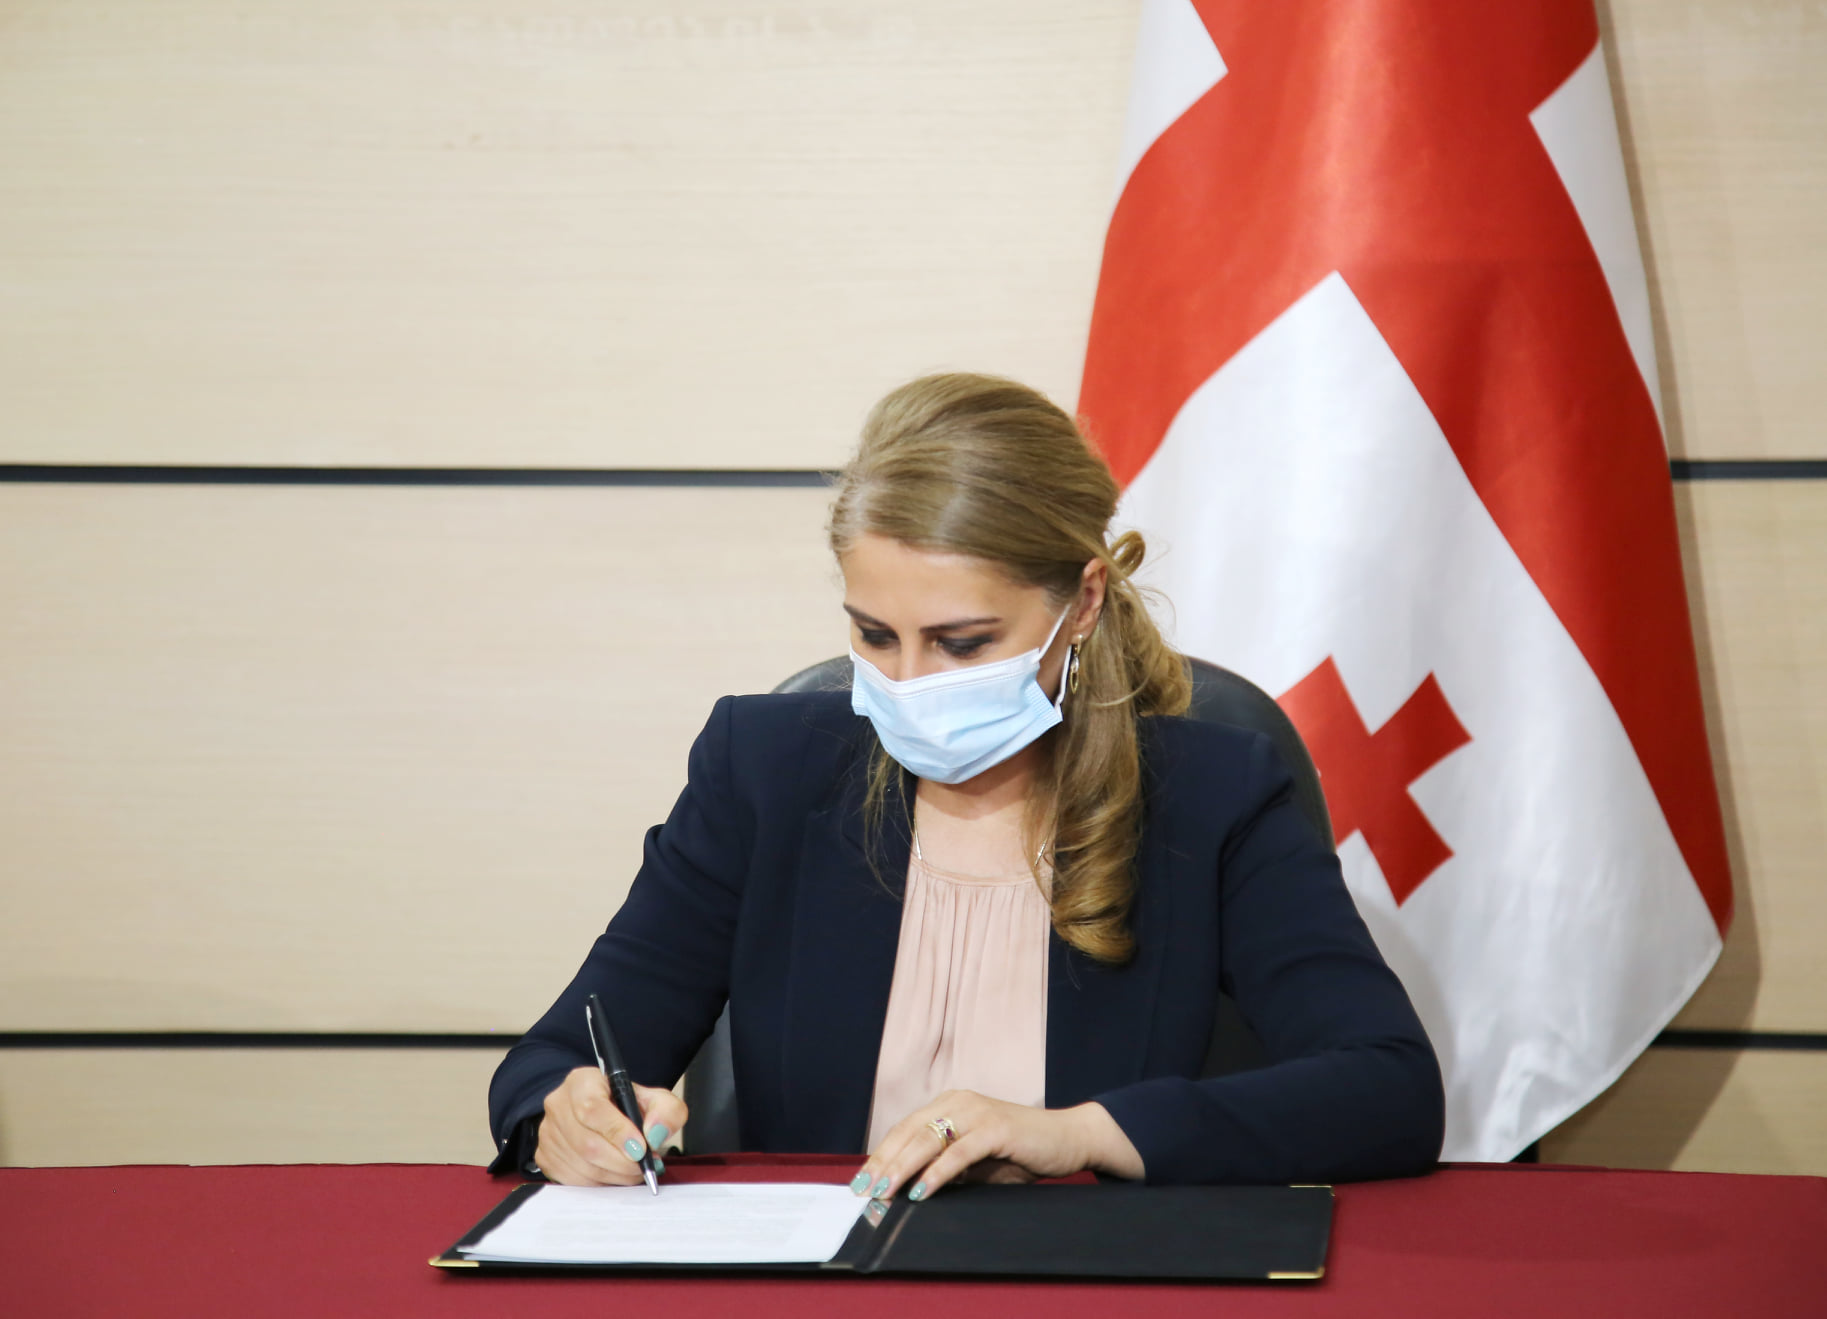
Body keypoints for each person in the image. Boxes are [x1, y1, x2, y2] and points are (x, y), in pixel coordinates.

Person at [488, 373, 1445, 1199]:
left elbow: (1387, 1089)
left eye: (962, 643)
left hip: (1097, 1281)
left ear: (1082, 601)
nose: (907, 683)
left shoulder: (1214, 792)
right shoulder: (765, 770)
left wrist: (1078, 1133)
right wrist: (564, 1116)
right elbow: (551, 1061)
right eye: (874, 635)